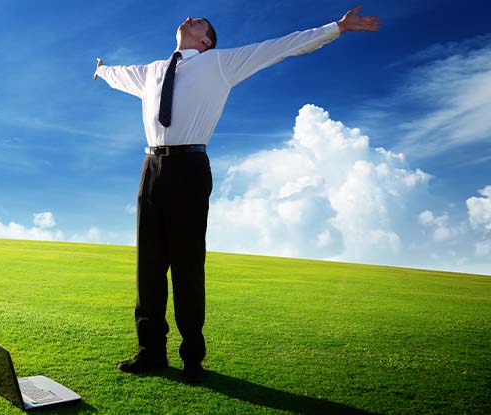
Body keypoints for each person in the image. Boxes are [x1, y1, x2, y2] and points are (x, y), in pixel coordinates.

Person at [94, 6, 380, 383]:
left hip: (190, 168)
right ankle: (150, 352)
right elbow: (118, 75)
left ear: (206, 41)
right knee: (148, 267)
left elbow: (281, 47)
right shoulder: (150, 72)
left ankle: (192, 358)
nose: (189, 17)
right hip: (151, 170)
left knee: (187, 266)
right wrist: (101, 70)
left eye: (199, 22)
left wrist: (337, 28)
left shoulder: (220, 64)